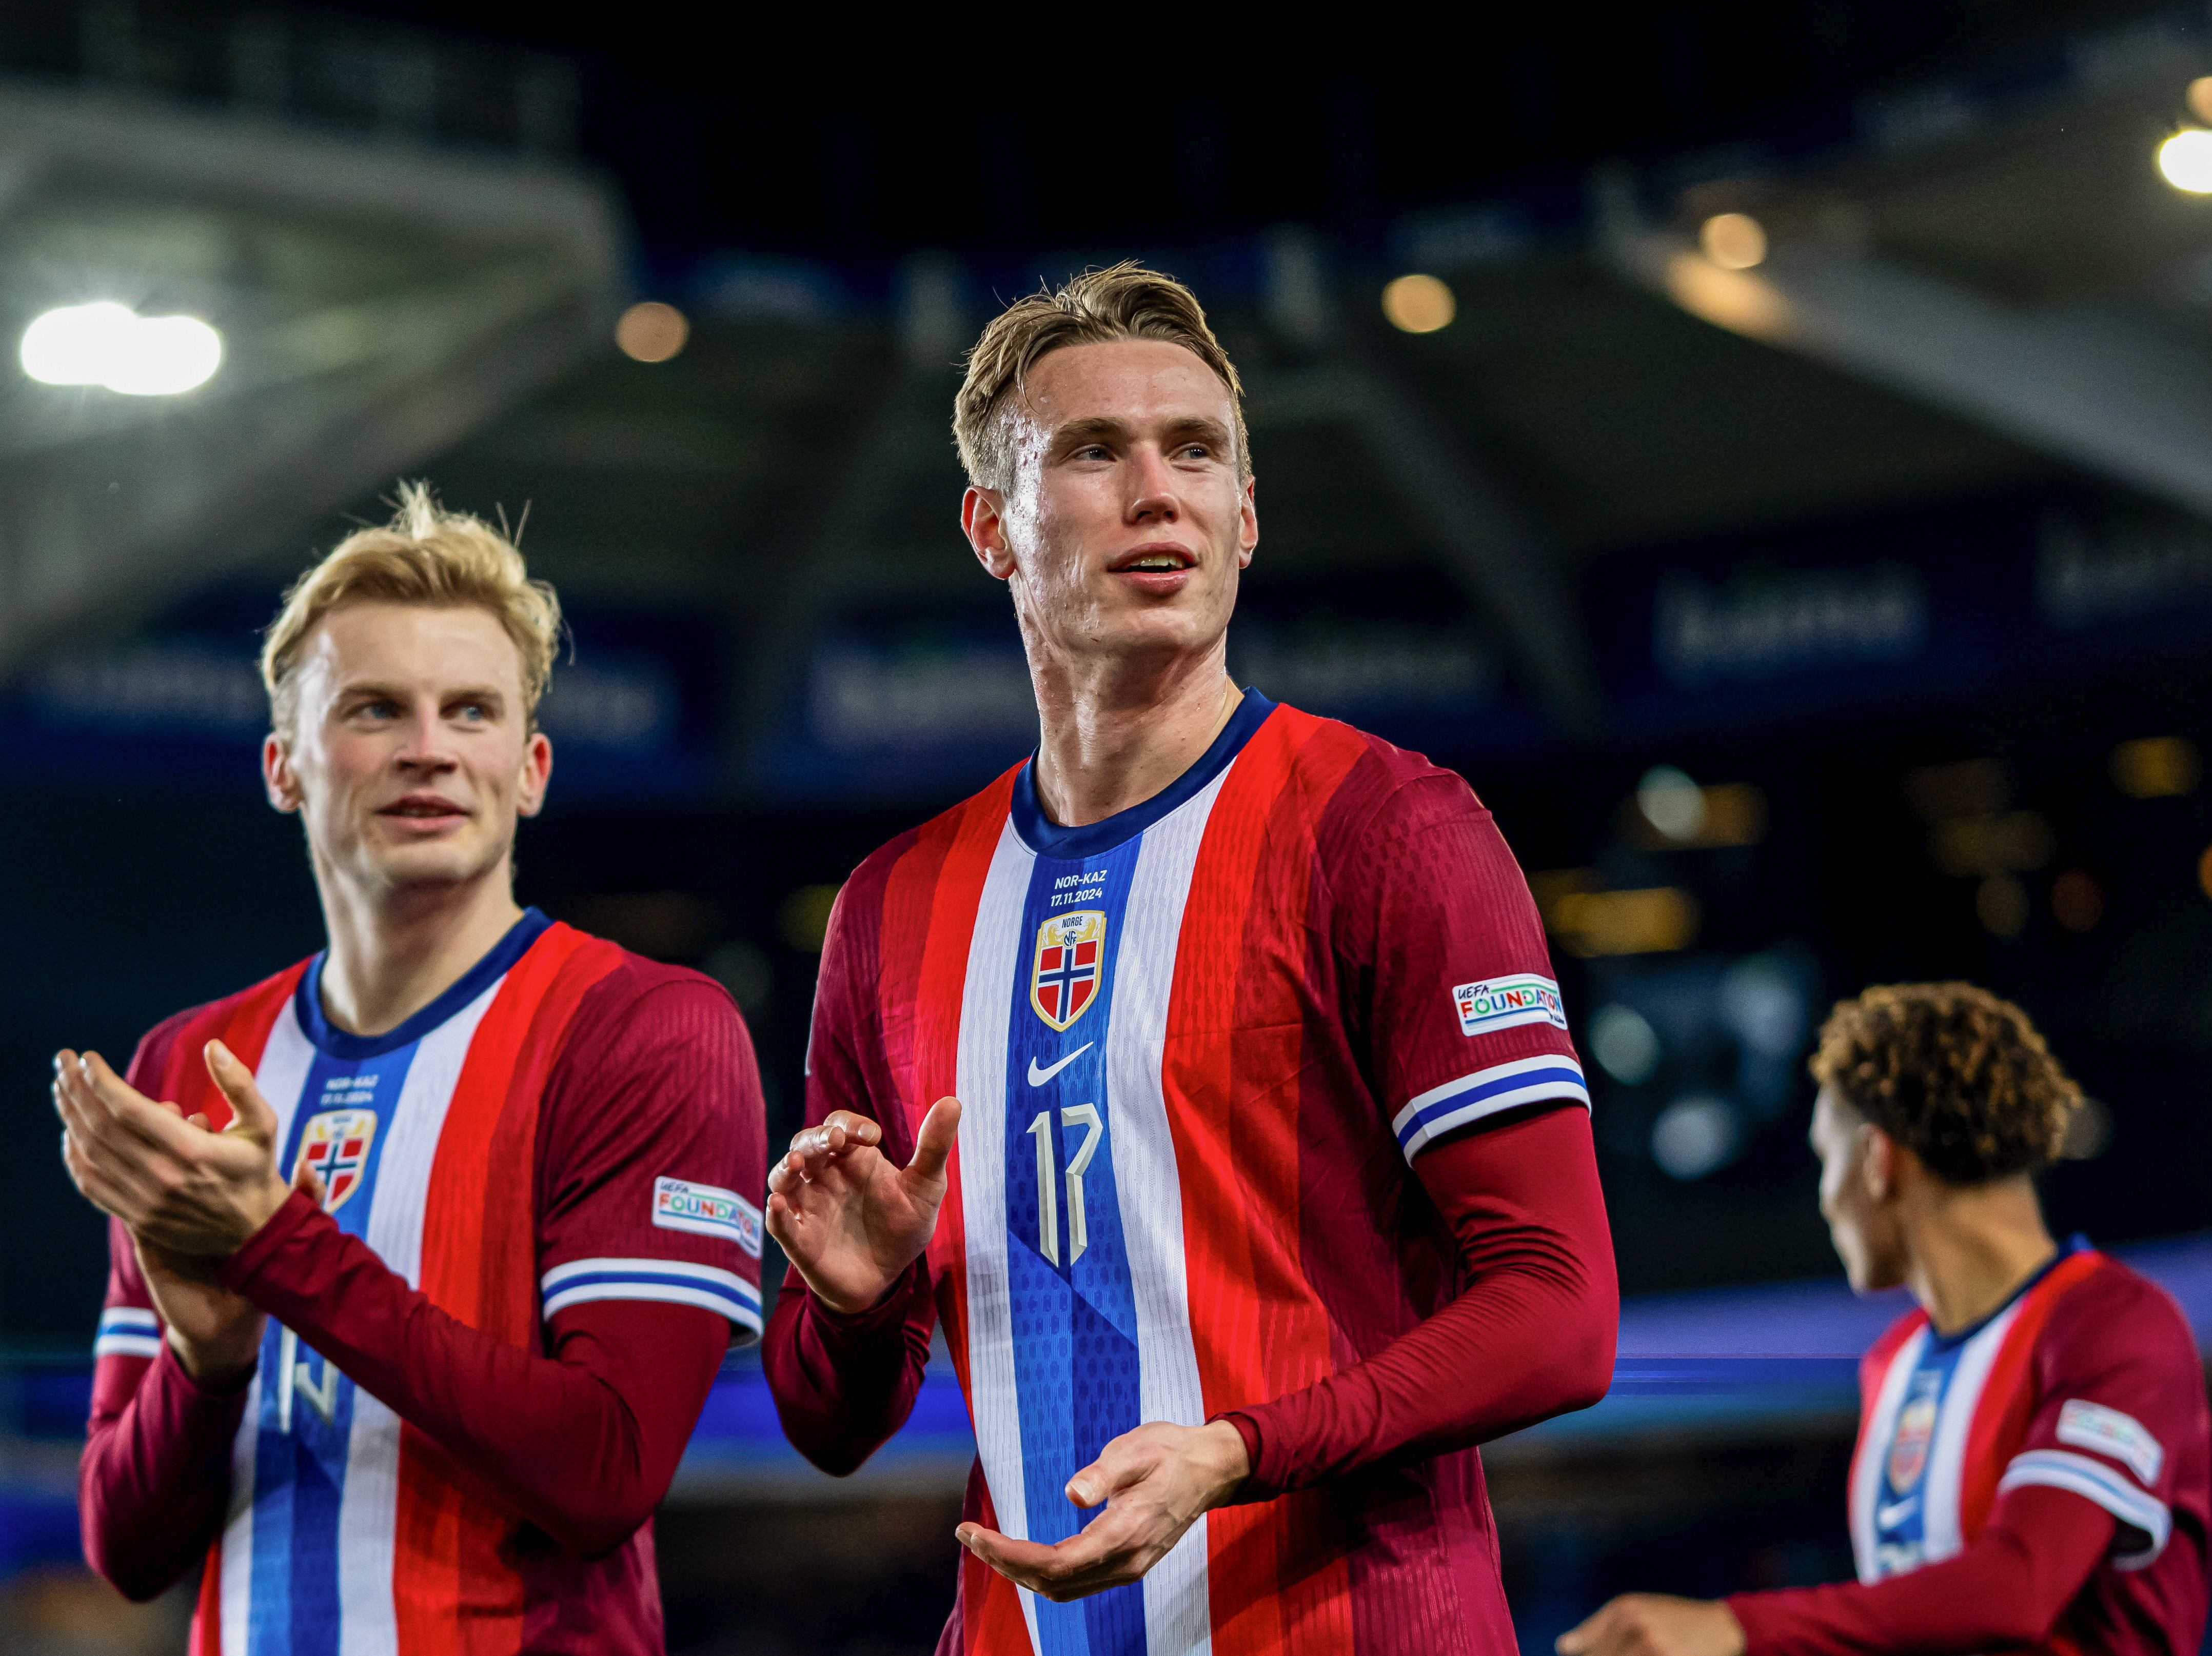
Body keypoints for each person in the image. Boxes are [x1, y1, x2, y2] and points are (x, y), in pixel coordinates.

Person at [759, 263, 1618, 1654]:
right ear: (991, 528)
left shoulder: (1390, 829)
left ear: (1247, 516)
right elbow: (828, 1426)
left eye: (1197, 451)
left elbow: (1562, 1311)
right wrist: (854, 1309)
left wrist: (1234, 1448)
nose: (1158, 490)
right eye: (1094, 452)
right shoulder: (890, 909)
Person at [55, 487, 766, 1654]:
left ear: (530, 767)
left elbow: (606, 1471)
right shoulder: (187, 1062)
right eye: (376, 710)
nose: (427, 748)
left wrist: (280, 1250)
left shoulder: (643, 1027)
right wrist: (209, 1354)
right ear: (284, 766)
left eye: (470, 711)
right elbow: (125, 1551)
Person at [1561, 981, 2209, 1655]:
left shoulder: (2114, 1324)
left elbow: (2020, 1586)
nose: (1822, 1195)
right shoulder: (1892, 1362)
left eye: (1824, 1158)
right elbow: (1899, 1622)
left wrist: (1734, 1627)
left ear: (1877, 1158)